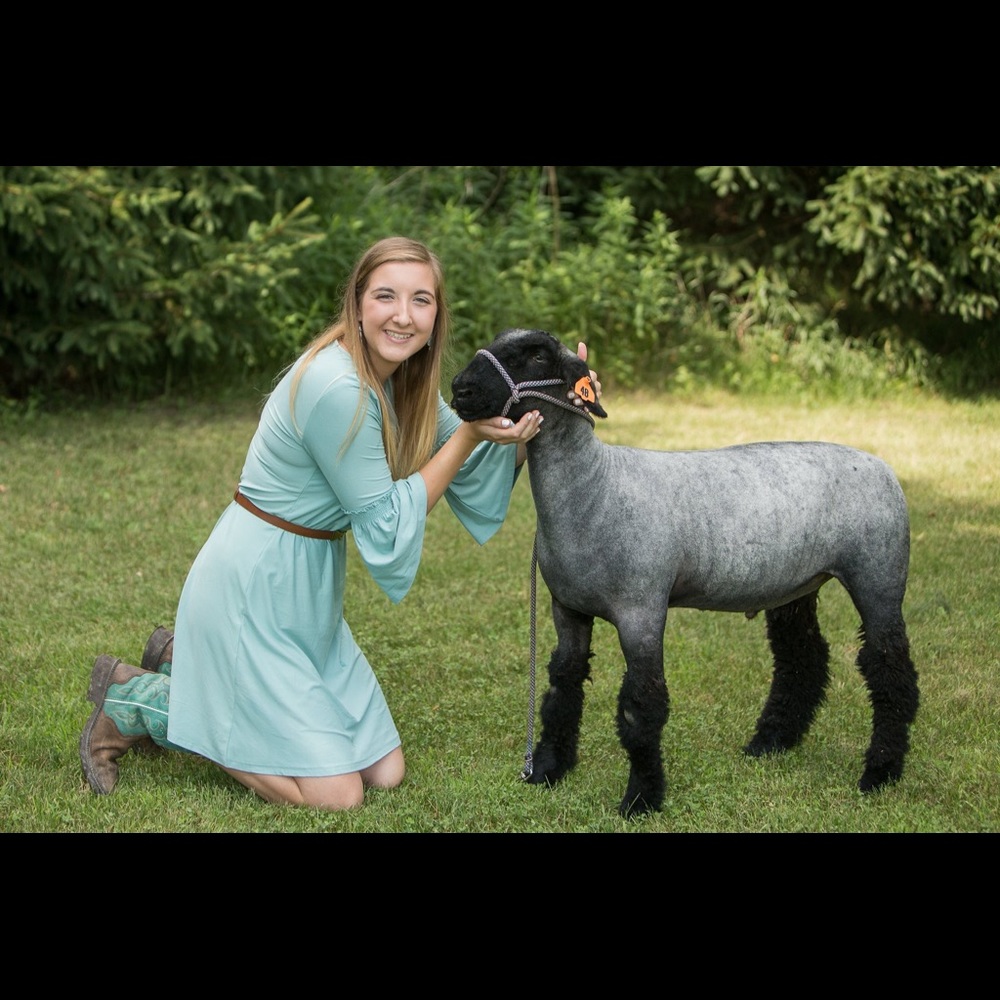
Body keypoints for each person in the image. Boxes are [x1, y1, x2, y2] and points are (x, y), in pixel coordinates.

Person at [79, 235, 600, 811]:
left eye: (421, 300)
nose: (403, 315)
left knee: (386, 772)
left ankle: (193, 664)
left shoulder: (404, 381)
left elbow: (475, 464)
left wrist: (557, 398)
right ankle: (144, 700)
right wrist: (473, 434)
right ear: (356, 304)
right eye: (386, 296)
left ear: (436, 314)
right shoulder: (337, 385)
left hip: (308, 593)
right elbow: (383, 519)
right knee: (337, 795)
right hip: (252, 586)